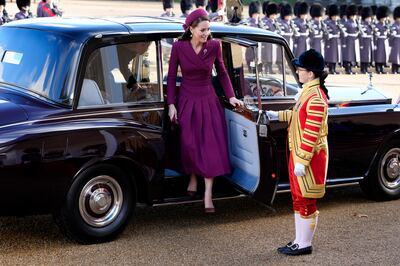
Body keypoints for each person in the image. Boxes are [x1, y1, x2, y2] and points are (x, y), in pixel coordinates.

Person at [167, 8, 242, 213]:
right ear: (191, 29)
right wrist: (171, 104)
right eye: (202, 30)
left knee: (209, 146)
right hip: (186, 100)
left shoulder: (215, 46)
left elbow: (223, 73)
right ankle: (192, 175)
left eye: (208, 29)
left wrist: (232, 96)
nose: (206, 33)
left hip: (209, 100)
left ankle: (208, 193)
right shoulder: (178, 47)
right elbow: (172, 77)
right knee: (190, 144)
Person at [267, 49, 329, 256]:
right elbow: (297, 116)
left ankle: (305, 243)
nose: (298, 72)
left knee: (306, 199)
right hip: (299, 154)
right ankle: (299, 240)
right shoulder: (309, 92)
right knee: (298, 198)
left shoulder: (316, 97)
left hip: (307, 157)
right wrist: (276, 114)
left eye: (300, 69)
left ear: (310, 73)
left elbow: (311, 133)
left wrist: (302, 161)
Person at [324, 4, 341, 74]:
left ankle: (334, 68)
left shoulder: (338, 23)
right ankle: (331, 69)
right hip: (331, 41)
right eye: (334, 16)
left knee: (336, 55)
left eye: (336, 16)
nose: (335, 17)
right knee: (331, 56)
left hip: (336, 41)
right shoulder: (328, 23)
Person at [374, 6, 390, 74]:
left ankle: (382, 68)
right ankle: (378, 68)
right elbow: (374, 34)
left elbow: (389, 34)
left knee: (384, 55)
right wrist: (377, 33)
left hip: (385, 41)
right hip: (379, 41)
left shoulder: (386, 25)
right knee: (379, 55)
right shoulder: (377, 25)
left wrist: (388, 32)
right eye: (383, 17)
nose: (384, 19)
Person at [359, 7, 374, 74]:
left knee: (368, 56)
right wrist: (361, 44)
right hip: (364, 42)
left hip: (369, 42)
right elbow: (360, 35)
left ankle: (366, 68)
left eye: (370, 18)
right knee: (363, 56)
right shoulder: (362, 25)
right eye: (368, 18)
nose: (369, 19)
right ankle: (363, 68)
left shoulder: (370, 25)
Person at [389, 6, 400, 74]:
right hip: (396, 42)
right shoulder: (394, 25)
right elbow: (391, 35)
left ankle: (398, 69)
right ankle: (394, 69)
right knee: (395, 56)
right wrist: (393, 34)